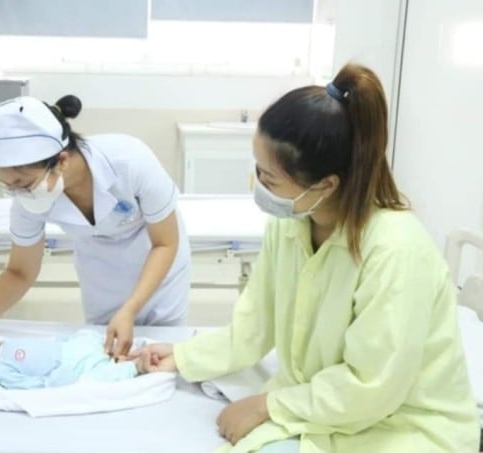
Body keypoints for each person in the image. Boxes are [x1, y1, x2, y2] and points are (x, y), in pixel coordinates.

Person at [131, 63, 479, 452]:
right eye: (257, 171)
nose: (257, 186)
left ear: (327, 184)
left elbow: (372, 386)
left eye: (269, 178)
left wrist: (268, 405)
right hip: (332, 408)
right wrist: (183, 355)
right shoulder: (292, 223)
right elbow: (256, 323)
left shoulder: (396, 250)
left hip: (404, 428)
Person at [0, 95, 190, 360]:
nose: (17, 193)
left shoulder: (130, 161)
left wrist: (130, 309)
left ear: (62, 161)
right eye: (6, 185)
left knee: (161, 355)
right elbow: (20, 271)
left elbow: (165, 243)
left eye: (22, 183)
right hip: (101, 274)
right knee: (110, 358)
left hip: (157, 266)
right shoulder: (27, 200)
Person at [0, 325, 146, 389]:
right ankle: (134, 366)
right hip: (67, 369)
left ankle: (124, 350)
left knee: (89, 335)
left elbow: (41, 344)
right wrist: (54, 381)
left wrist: (64, 340)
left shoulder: (7, 344)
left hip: (69, 348)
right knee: (101, 376)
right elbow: (28, 385)